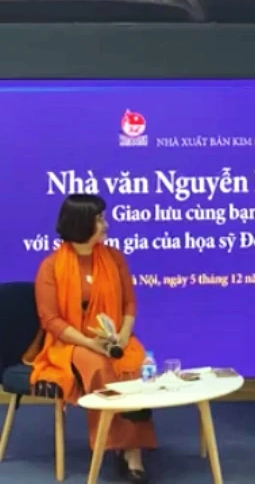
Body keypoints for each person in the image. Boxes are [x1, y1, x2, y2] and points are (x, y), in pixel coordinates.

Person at [30, 194, 155, 483]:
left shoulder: (114, 258)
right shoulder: (50, 266)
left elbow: (129, 304)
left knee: (137, 365)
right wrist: (91, 343)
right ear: (81, 223)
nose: (106, 224)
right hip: (72, 343)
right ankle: (112, 443)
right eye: (99, 219)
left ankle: (133, 451)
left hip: (115, 339)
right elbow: (51, 321)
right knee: (100, 367)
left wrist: (122, 336)